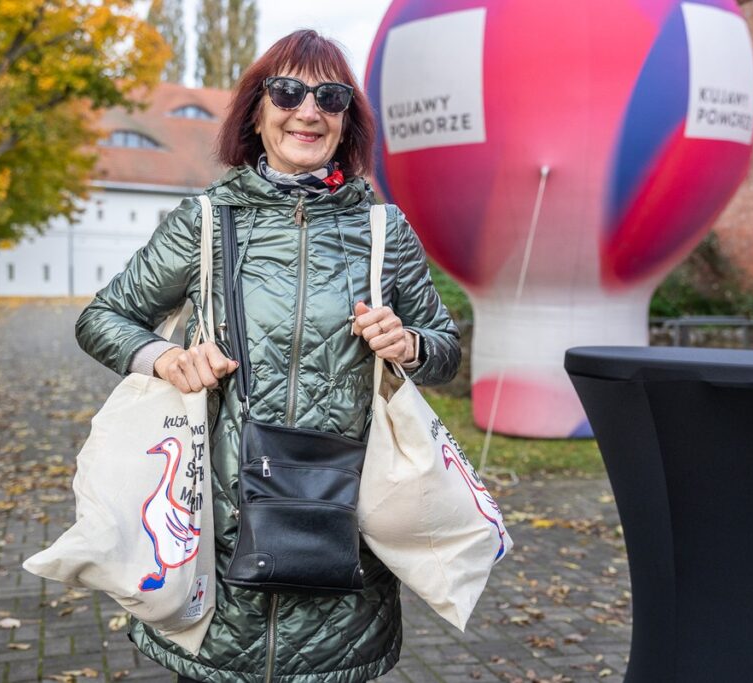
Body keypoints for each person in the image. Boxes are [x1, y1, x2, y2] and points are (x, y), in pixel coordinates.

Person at [75, 30, 461, 682]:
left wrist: (413, 344)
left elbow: (446, 350)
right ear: (258, 109)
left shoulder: (383, 230)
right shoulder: (204, 221)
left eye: (329, 96)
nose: (308, 110)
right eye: (288, 90)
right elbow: (103, 317)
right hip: (216, 542)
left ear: (346, 120)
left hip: (345, 543)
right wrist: (165, 359)